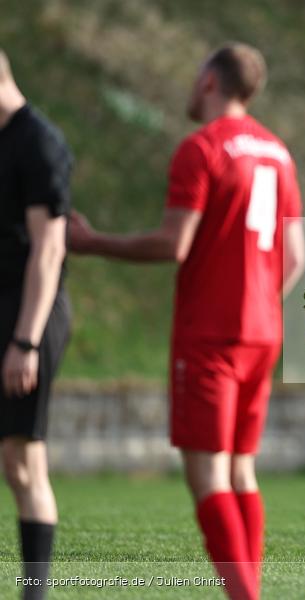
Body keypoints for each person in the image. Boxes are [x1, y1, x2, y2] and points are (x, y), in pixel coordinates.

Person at [67, 43, 305, 600]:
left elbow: (174, 244)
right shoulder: (277, 151)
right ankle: (252, 592)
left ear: (209, 82)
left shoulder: (202, 149)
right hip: (263, 330)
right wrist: (256, 301)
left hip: (212, 336)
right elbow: (293, 256)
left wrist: (92, 241)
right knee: (242, 471)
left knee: (206, 476)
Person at [0, 48, 72, 600]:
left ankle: (34, 593)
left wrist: (25, 341)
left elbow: (48, 252)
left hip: (28, 318)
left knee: (25, 464)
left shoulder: (38, 143)